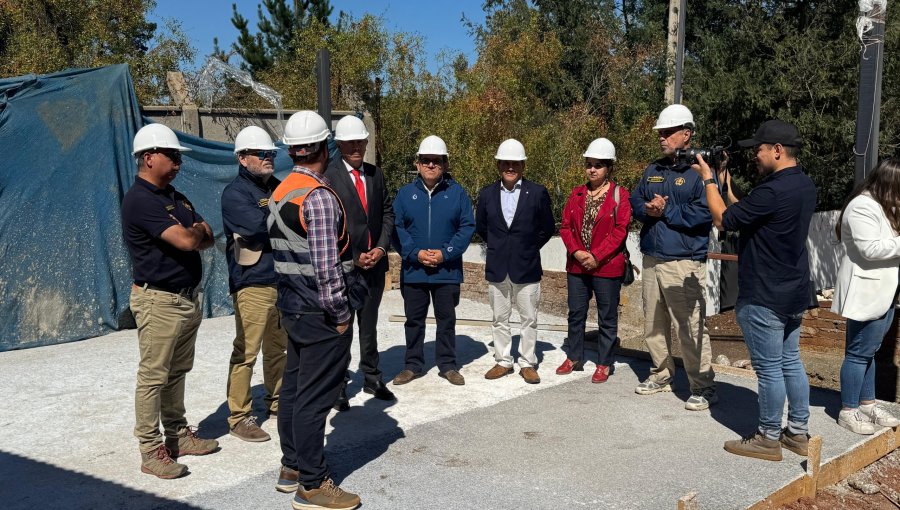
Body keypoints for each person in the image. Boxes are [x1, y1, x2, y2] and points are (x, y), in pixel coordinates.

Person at [693, 119, 816, 461]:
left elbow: (722, 219)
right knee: (790, 361)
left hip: (764, 293)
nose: (755, 156)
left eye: (759, 150)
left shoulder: (772, 191)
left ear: (777, 150)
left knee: (769, 369)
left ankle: (767, 437)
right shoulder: (803, 185)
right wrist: (724, 182)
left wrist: (706, 179)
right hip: (793, 292)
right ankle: (798, 433)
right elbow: (745, 212)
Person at [269, 110, 362, 509]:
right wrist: (340, 315)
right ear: (325, 147)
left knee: (292, 389)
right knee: (314, 397)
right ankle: (312, 484)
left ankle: (292, 466)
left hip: (293, 306)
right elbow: (327, 268)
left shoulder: (281, 189)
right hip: (320, 312)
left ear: (292, 150)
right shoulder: (319, 197)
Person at [121, 123, 219, 479]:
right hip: (158, 301)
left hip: (184, 299)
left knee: (177, 371)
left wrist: (195, 233)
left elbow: (207, 232)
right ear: (149, 158)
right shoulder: (140, 200)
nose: (178, 163)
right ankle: (151, 450)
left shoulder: (175, 197)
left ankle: (177, 434)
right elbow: (190, 240)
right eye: (172, 156)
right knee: (153, 377)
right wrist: (195, 233)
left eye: (179, 157)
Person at [628, 104, 717, 410]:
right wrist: (646, 209)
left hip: (684, 261)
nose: (662, 138)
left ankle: (702, 385)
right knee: (653, 323)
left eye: (668, 133)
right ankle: (661, 373)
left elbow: (704, 214)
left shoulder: (701, 172)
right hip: (652, 257)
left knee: (691, 326)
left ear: (686, 134)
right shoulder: (653, 169)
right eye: (660, 133)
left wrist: (667, 210)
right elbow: (634, 200)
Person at [323, 115, 396, 410]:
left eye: (360, 141)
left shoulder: (375, 175)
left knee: (369, 325)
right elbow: (327, 227)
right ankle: (338, 385)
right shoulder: (328, 176)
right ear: (339, 144)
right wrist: (353, 256)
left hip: (374, 266)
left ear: (366, 142)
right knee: (343, 328)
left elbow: (387, 214)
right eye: (350, 142)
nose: (356, 146)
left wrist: (380, 248)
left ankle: (372, 376)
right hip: (345, 267)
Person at [392, 135, 476, 386]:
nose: (430, 165)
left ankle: (448, 365)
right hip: (414, 270)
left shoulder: (457, 193)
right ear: (417, 164)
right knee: (414, 321)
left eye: (436, 161)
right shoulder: (405, 194)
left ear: (445, 164)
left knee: (446, 320)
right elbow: (396, 226)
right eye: (425, 160)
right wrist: (414, 252)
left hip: (446, 271)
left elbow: (467, 227)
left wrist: (445, 252)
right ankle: (412, 365)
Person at [222, 126, 288, 442]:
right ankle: (239, 416)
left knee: (279, 348)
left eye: (271, 154)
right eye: (262, 153)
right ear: (242, 157)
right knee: (247, 351)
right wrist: (284, 220)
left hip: (282, 279)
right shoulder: (235, 194)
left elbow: (293, 220)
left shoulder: (276, 186)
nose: (268, 158)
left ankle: (277, 404)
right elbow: (260, 226)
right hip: (253, 283)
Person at [476, 139, 555, 384]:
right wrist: (502, 247)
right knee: (499, 317)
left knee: (528, 318)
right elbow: (481, 227)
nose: (510, 167)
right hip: (498, 265)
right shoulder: (487, 194)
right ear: (498, 165)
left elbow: (547, 228)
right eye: (505, 162)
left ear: (522, 165)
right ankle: (502, 361)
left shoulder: (538, 192)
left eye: (515, 163)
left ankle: (528, 362)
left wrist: (527, 248)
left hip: (527, 265)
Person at [831, 158, 900, 435]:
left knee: (869, 352)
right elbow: (870, 249)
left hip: (884, 291)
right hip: (866, 291)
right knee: (858, 354)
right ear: (888, 183)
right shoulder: (862, 206)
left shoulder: (882, 206)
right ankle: (848, 410)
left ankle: (867, 405)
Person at [558, 138, 631, 383]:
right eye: (589, 164)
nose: (592, 169)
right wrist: (577, 252)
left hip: (607, 267)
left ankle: (604, 362)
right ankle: (574, 357)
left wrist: (597, 256)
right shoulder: (577, 193)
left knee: (607, 317)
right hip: (577, 265)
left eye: (598, 165)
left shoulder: (620, 195)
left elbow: (621, 230)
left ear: (608, 167)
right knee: (576, 313)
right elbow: (566, 227)